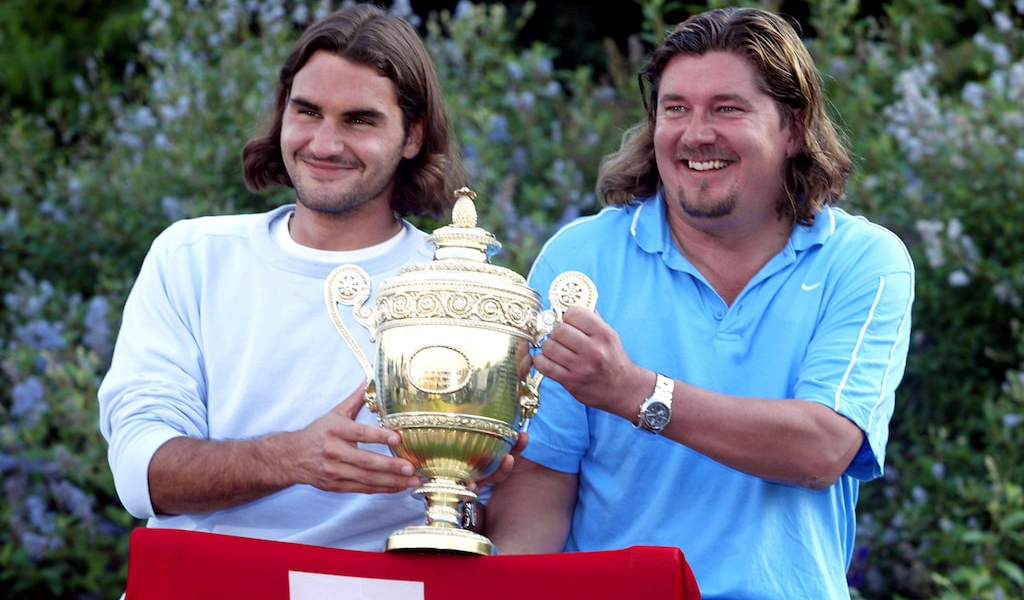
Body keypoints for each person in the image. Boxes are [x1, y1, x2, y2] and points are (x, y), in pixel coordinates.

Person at [485, 7, 915, 599]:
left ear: (793, 128)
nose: (695, 133)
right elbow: (541, 475)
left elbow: (821, 449)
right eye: (675, 108)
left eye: (727, 108)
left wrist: (634, 390)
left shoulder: (864, 261)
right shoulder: (581, 258)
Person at [98, 3, 504, 551]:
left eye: (360, 120)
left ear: (413, 136)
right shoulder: (190, 256)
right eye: (307, 111)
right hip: (208, 583)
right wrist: (291, 458)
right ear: (282, 113)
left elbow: (489, 508)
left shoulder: (465, 292)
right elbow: (141, 472)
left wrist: (476, 486)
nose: (324, 144)